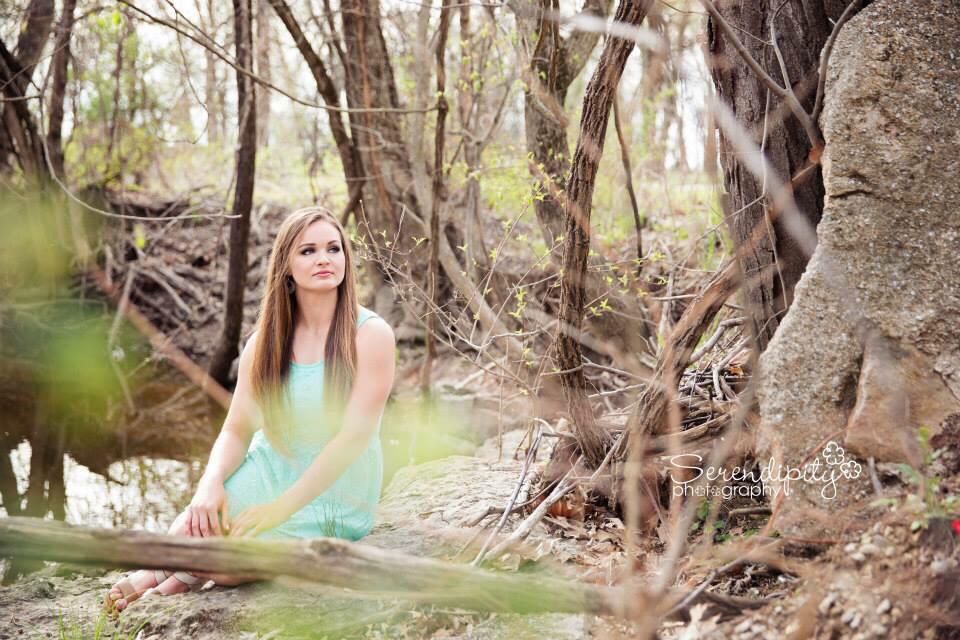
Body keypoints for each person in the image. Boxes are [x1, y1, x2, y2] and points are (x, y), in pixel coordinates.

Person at [105, 206, 396, 613]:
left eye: (334, 248)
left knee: (227, 566)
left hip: (337, 490)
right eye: (308, 251)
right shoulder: (263, 343)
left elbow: (353, 439)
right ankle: (165, 580)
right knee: (194, 523)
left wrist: (279, 510)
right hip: (271, 468)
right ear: (287, 267)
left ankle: (164, 583)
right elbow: (237, 429)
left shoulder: (371, 335)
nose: (325, 259)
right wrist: (209, 485)